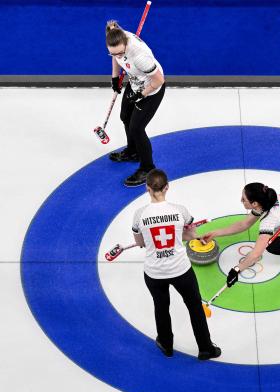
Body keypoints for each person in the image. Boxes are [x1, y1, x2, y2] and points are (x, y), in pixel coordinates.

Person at [132, 169, 221, 360]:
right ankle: (206, 348)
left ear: (147, 188)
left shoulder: (139, 215)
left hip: (154, 272)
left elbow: (140, 243)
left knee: (161, 307)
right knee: (195, 306)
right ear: (167, 187)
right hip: (181, 270)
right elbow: (189, 234)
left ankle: (165, 344)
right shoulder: (180, 211)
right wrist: (194, 235)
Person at [105, 20, 166, 187]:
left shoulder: (140, 56)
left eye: (119, 53)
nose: (116, 56)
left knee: (137, 128)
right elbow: (116, 58)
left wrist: (141, 94)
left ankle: (147, 167)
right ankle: (133, 152)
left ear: (125, 44)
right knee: (125, 116)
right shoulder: (115, 39)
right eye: (112, 53)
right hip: (135, 82)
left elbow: (159, 80)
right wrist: (115, 77)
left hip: (151, 89)